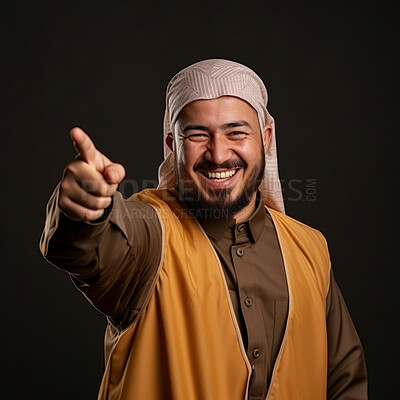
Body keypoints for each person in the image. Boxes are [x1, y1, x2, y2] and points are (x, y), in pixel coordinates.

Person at [40, 59, 368, 400]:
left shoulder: (310, 248)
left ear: (266, 137)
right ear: (172, 145)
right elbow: (92, 245)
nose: (218, 153)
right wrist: (87, 210)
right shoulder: (151, 232)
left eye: (236, 132)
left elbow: (345, 378)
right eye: (197, 134)